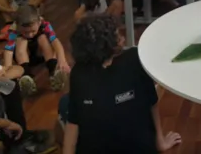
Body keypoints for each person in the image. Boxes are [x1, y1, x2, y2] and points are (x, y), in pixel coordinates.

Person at [63, 14, 181, 154]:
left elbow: (73, 122)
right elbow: (152, 101)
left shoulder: (78, 73)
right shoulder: (135, 58)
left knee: (65, 104)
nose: (122, 36)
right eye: (117, 34)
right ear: (107, 44)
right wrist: (160, 141)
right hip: (142, 148)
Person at [3, 5, 69, 96]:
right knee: (21, 40)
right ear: (18, 26)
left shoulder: (45, 24)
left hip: (38, 53)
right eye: (25, 32)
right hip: (23, 57)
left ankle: (53, 71)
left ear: (39, 22)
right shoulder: (13, 30)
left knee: (43, 38)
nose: (30, 35)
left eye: (33, 31)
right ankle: (27, 76)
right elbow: (8, 51)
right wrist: (7, 70)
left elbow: (55, 42)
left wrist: (62, 60)